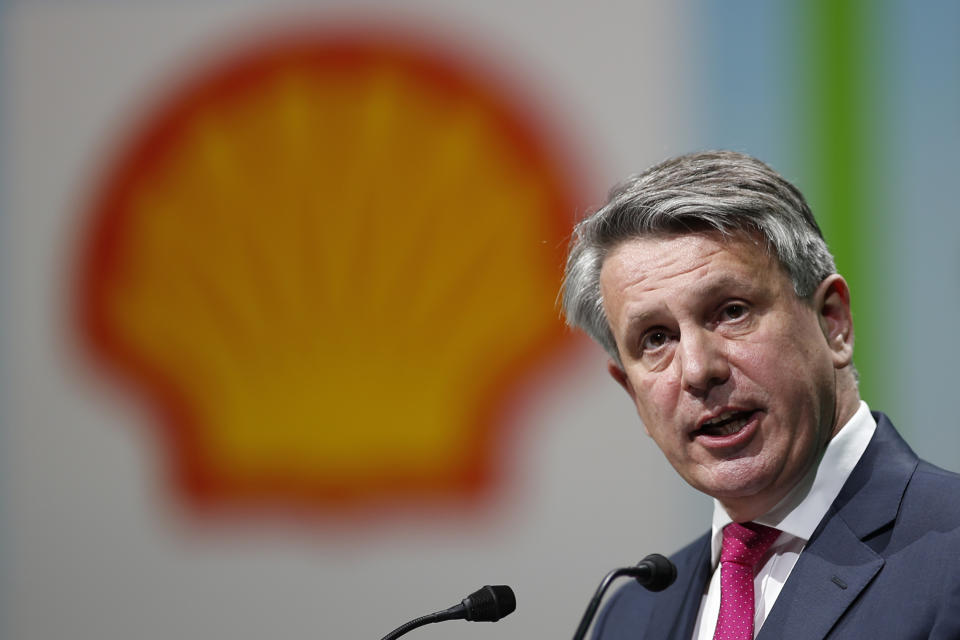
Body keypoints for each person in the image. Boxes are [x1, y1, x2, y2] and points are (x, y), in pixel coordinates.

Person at [561, 150, 960, 639]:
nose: (698, 370)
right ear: (631, 393)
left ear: (832, 322)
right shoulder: (630, 617)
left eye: (731, 311)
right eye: (656, 339)